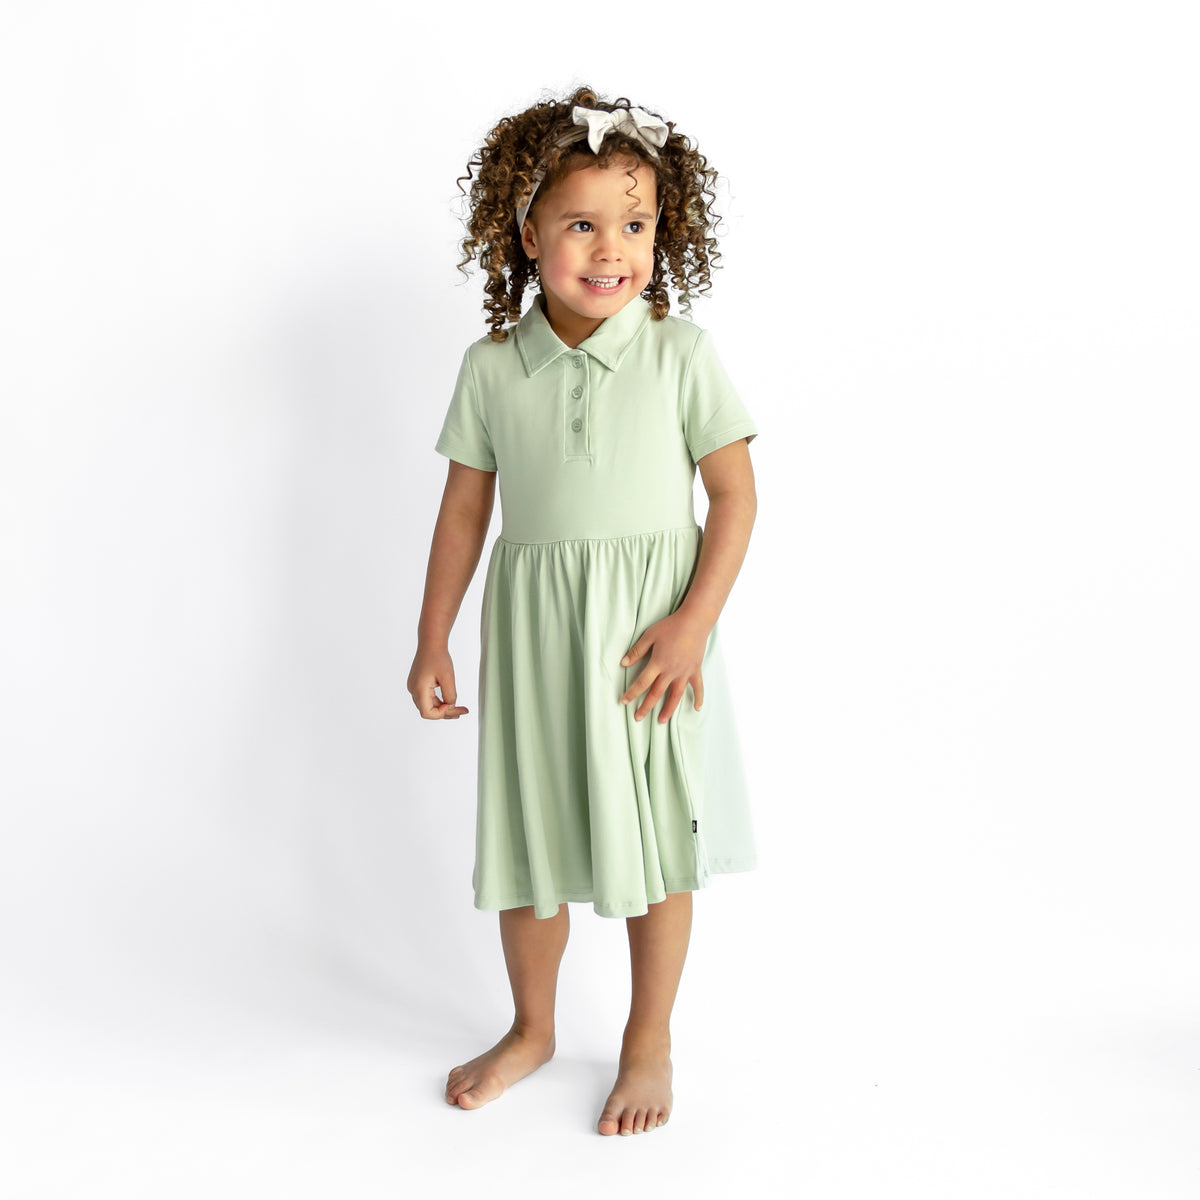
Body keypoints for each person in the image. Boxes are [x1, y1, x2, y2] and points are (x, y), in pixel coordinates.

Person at [408, 86, 760, 1137]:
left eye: (637, 223)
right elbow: (466, 509)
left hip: (650, 643)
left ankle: (648, 1035)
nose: (613, 249)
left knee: (656, 846)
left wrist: (694, 622)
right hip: (535, 645)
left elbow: (735, 496)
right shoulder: (492, 369)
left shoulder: (679, 355)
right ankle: (532, 1027)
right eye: (582, 223)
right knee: (531, 846)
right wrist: (433, 634)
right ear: (527, 234)